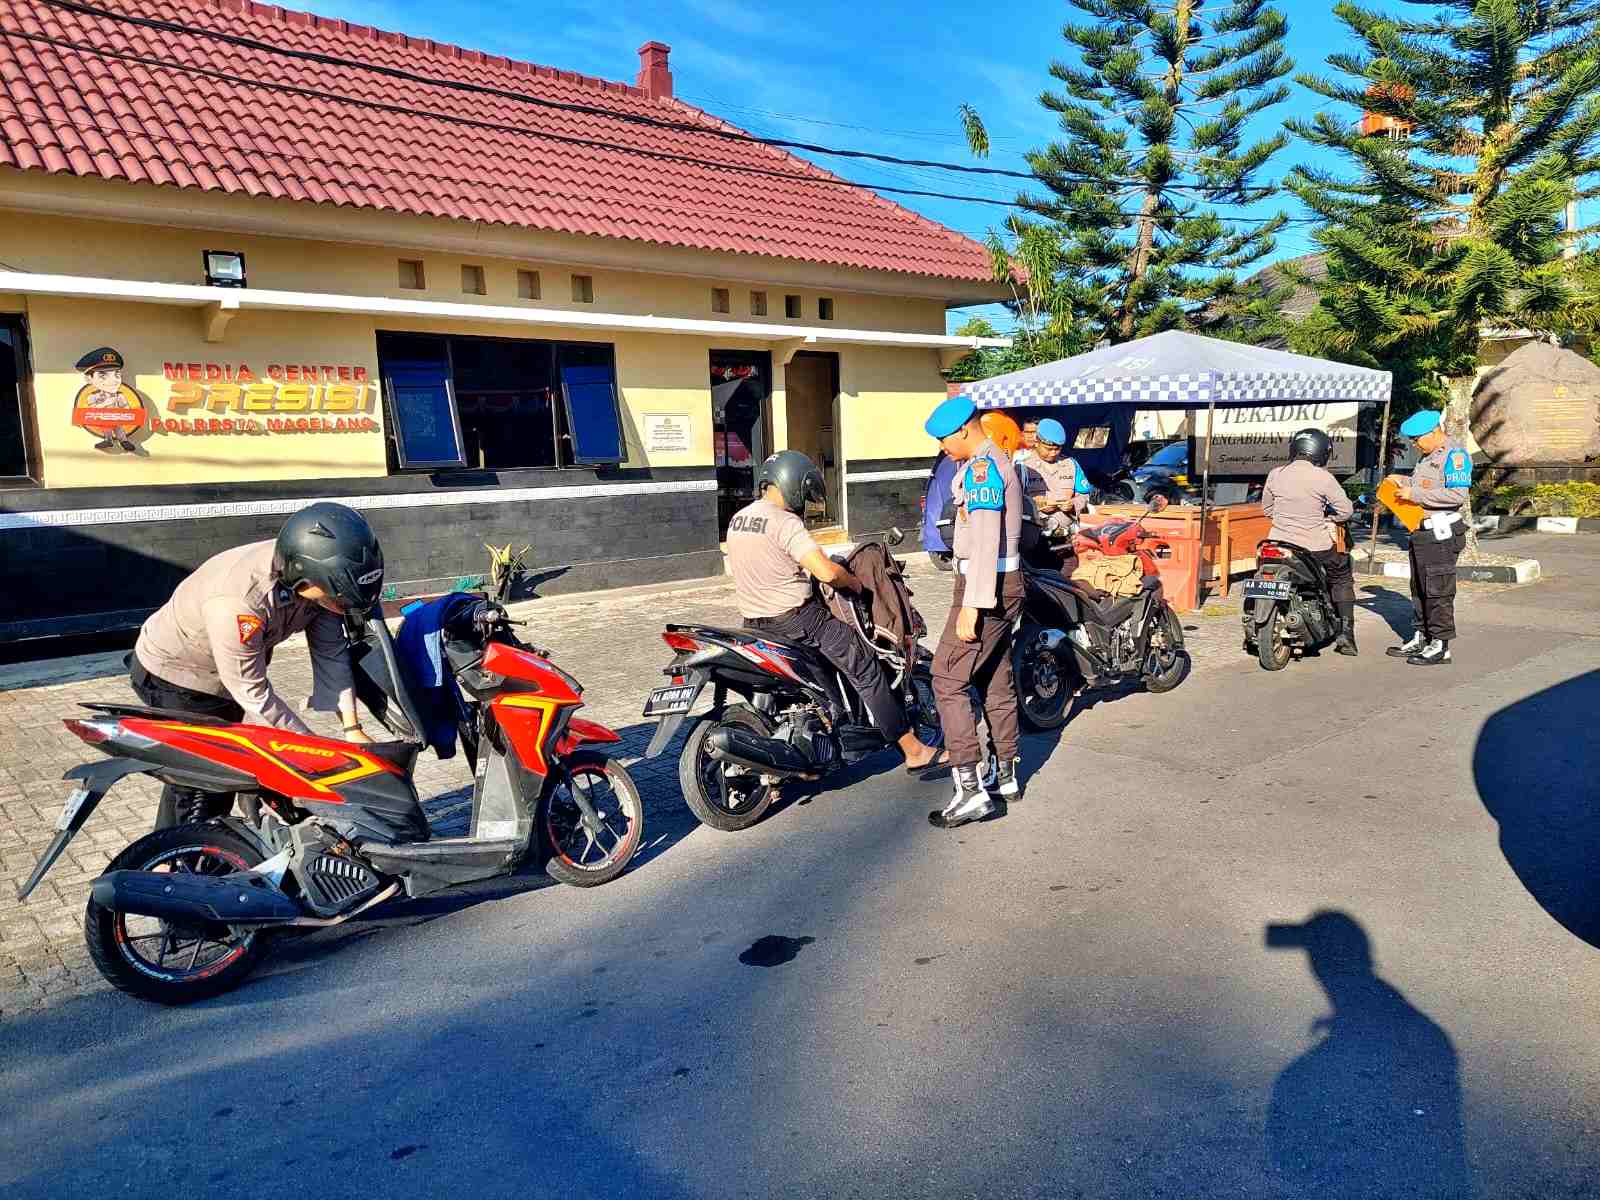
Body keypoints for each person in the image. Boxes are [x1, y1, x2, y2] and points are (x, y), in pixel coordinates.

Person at [130, 501, 385, 828]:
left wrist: (352, 728)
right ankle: (174, 855)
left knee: (239, 766)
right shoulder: (239, 601)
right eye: (333, 599)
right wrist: (311, 752)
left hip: (231, 672)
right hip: (176, 674)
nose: (337, 606)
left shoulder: (321, 573)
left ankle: (235, 830)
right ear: (301, 575)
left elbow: (330, 652)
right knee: (202, 782)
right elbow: (252, 693)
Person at [727, 451, 940, 770]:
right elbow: (826, 572)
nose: (804, 503)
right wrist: (853, 583)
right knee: (865, 666)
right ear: (793, 484)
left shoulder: (739, 519)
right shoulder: (785, 522)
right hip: (799, 620)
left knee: (811, 680)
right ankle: (913, 750)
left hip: (754, 622)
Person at [924, 396, 1024, 829]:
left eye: (944, 439)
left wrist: (972, 605)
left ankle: (969, 789)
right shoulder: (992, 462)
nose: (942, 447)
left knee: (947, 678)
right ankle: (1006, 774)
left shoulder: (983, 468)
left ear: (964, 429)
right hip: (1003, 583)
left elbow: (984, 540)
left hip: (985, 586)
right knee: (995, 676)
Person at [1384, 410, 1471, 666]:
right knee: (1419, 588)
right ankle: (1423, 636)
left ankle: (1441, 645)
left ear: (1434, 432)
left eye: (1417, 439)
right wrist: (1401, 481)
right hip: (1421, 531)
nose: (1414, 444)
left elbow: (1457, 495)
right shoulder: (1427, 457)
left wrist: (1414, 495)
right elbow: (1424, 485)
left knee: (1437, 590)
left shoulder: (1455, 455)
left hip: (1441, 532)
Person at [1261, 428, 1358, 655]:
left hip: (1277, 544)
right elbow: (1346, 511)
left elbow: (1267, 509)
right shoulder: (1323, 477)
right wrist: (1329, 518)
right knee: (1341, 573)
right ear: (1322, 452)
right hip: (1314, 546)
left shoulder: (1275, 474)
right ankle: (1346, 635)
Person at [1026, 417, 1093, 539]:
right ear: (1037, 441)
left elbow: (1084, 496)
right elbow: (1013, 501)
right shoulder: (1023, 467)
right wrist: (1036, 504)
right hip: (1035, 535)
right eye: (1048, 449)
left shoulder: (1071, 464)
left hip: (1067, 536)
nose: (1053, 453)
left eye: (1057, 449)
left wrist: (1073, 505)